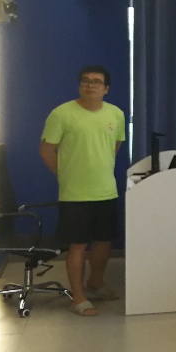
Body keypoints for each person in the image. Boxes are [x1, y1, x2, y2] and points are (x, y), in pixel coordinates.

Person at [39, 65, 127, 317]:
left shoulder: (116, 114)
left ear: (106, 89)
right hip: (74, 194)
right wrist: (65, 176)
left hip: (106, 190)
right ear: (80, 86)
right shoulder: (62, 114)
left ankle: (96, 283)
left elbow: (115, 145)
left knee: (103, 242)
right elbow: (46, 151)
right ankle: (78, 297)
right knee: (77, 245)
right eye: (85, 81)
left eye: (96, 82)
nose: (90, 85)